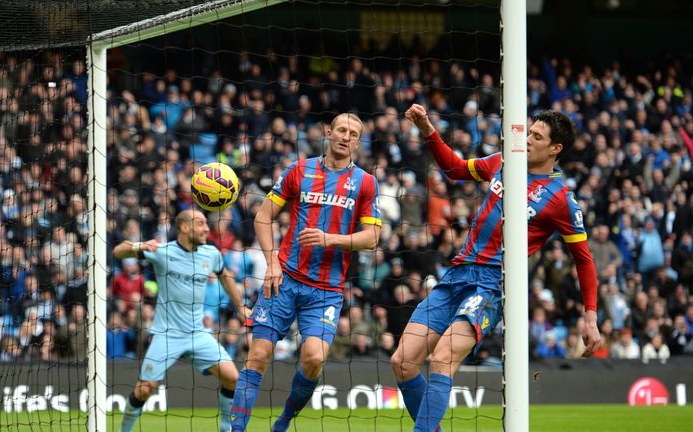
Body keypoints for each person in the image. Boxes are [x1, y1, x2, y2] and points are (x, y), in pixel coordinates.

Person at [390, 104, 602, 431]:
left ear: (555, 148)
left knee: (443, 357)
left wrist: (590, 316)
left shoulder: (561, 199)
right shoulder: (503, 162)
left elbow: (584, 260)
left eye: (537, 136)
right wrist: (428, 129)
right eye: (529, 132)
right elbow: (455, 169)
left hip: (492, 284)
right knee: (403, 362)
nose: (527, 139)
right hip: (457, 274)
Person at [230, 113, 381, 432]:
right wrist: (271, 261)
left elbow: (371, 238)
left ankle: (282, 423)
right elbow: (262, 217)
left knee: (313, 358)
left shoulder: (366, 183)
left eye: (353, 133)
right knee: (257, 355)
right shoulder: (299, 170)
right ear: (328, 132)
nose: (345, 136)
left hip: (326, 290)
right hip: (284, 279)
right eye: (341, 129)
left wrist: (331, 239)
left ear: (358, 141)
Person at [115, 208, 247, 432]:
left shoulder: (211, 254)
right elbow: (118, 252)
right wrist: (139, 246)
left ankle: (226, 428)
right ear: (184, 227)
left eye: (207, 224)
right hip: (167, 335)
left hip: (197, 334)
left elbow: (225, 276)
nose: (207, 228)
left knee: (233, 378)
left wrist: (241, 308)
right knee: (144, 389)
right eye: (201, 224)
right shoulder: (162, 252)